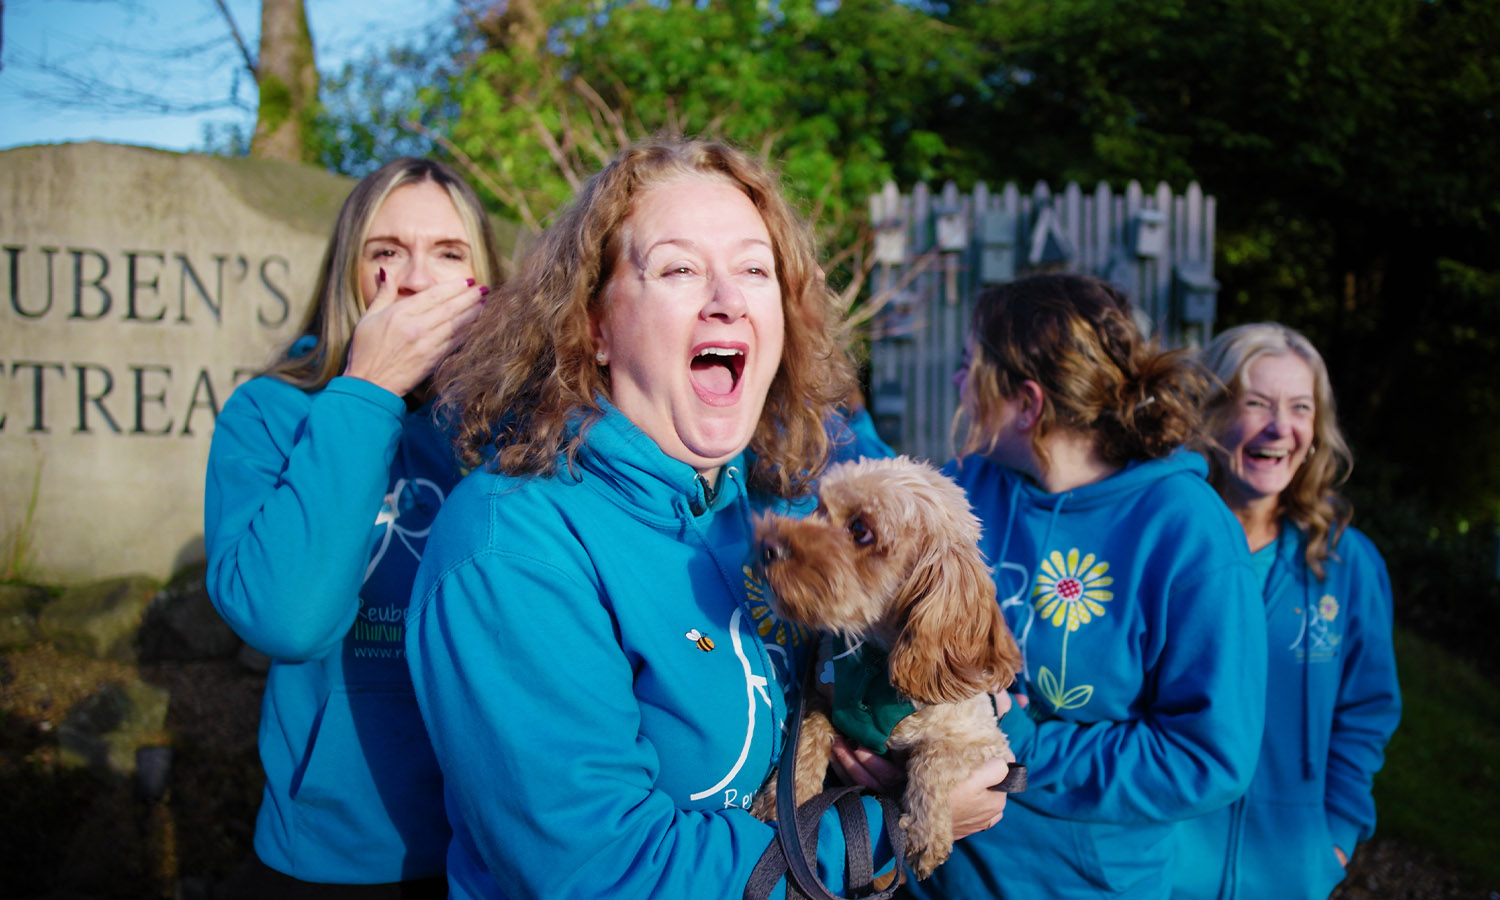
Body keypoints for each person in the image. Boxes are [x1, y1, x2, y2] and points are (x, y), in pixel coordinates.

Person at [405, 137, 1013, 900]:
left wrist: (945, 705)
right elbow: (601, 874)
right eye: (679, 268)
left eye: (755, 270)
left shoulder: (770, 500)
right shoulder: (511, 548)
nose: (727, 298)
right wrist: (878, 830)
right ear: (591, 325)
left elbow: (914, 623)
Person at [906, 273, 1268, 900]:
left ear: (1027, 403)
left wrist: (1023, 747)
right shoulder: (965, 488)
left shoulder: (1186, 532)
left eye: (970, 367)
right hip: (928, 876)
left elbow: (1209, 757)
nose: (958, 384)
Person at [204, 157, 499, 897]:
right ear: (350, 274)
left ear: (486, 281)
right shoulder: (272, 413)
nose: (413, 281)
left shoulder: (516, 427)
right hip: (335, 853)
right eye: (385, 252)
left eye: (449, 254)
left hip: (504, 839)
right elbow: (287, 620)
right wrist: (367, 392)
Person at [1173, 323, 1402, 900]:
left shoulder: (1347, 562)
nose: (1281, 428)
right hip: (1163, 868)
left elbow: (1366, 709)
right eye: (1256, 404)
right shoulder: (1166, 547)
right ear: (1212, 412)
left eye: (1300, 408)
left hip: (1289, 872)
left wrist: (1336, 837)